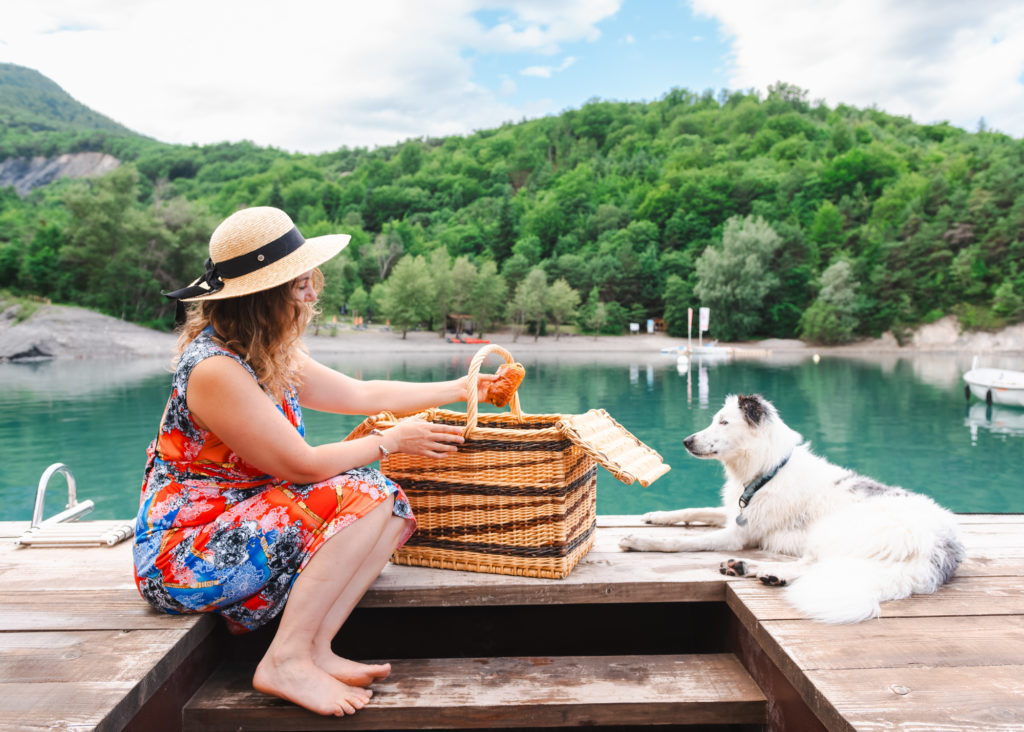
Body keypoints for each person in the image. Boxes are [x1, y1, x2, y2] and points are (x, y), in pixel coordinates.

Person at [132, 206, 493, 716]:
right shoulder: (215, 368)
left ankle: (314, 649)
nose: (312, 292)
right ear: (262, 296)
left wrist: (462, 387)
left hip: (239, 524)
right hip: (185, 552)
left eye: (309, 279)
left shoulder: (268, 351)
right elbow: (301, 466)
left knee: (387, 505)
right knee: (364, 492)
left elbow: (364, 393)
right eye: (301, 283)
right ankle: (285, 661)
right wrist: (392, 441)